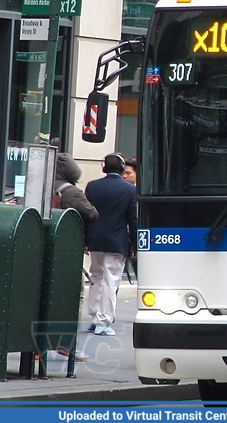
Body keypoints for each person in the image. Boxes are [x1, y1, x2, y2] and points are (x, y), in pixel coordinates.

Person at [84, 153, 138, 336]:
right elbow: (133, 219)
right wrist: (136, 245)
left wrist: (85, 239)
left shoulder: (92, 186)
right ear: (122, 169)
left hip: (95, 239)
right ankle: (103, 321)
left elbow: (87, 215)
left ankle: (93, 315)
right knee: (111, 279)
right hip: (117, 240)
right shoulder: (130, 190)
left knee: (96, 276)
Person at [53, 151, 98, 362]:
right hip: (67, 253)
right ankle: (66, 344)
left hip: (44, 250)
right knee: (73, 297)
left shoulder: (44, 185)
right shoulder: (71, 192)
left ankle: (36, 346)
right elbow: (92, 213)